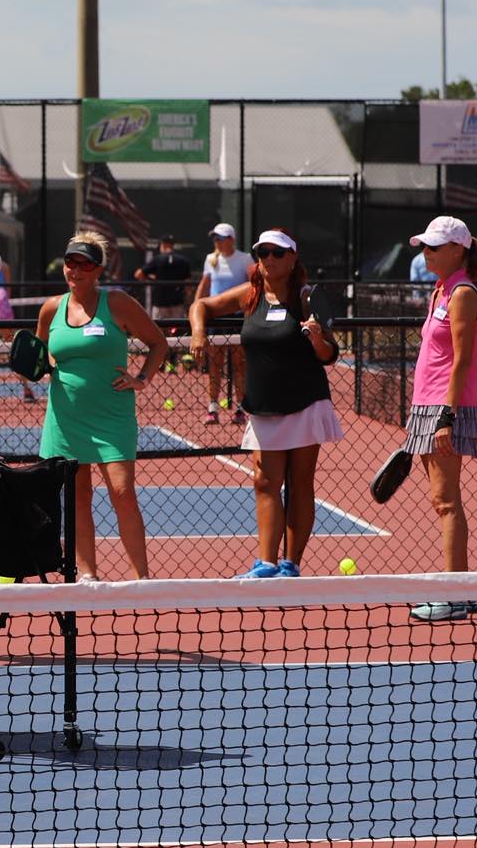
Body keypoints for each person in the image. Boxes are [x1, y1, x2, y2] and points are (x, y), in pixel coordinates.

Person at [188, 229, 342, 579]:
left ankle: (290, 564)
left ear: (292, 259)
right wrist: (198, 331)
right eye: (263, 252)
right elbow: (201, 305)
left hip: (304, 402)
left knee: (300, 483)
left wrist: (317, 339)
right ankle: (266, 564)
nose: (269, 259)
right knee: (264, 482)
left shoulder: (305, 298)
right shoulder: (250, 296)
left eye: (277, 253)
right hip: (263, 405)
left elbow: (330, 354)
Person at [38, 233, 167, 580]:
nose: (76, 270)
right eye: (71, 262)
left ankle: (142, 577)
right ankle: (88, 574)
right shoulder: (52, 308)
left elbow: (158, 343)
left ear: (99, 270)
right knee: (78, 497)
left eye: (85, 264)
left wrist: (141, 378)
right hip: (65, 418)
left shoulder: (118, 303)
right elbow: (42, 353)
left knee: (123, 492)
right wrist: (43, 366)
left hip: (112, 416)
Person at [402, 215, 477, 621]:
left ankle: (453, 594)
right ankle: (463, 589)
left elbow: (462, 360)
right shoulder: (440, 290)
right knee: (443, 500)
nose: (426, 253)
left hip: (444, 407)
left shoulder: (463, 294)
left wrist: (446, 418)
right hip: (427, 404)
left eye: (434, 247)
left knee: (446, 500)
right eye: (425, 246)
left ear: (459, 250)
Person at [194, 223, 251, 423]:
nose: (216, 242)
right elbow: (205, 286)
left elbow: (254, 285)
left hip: (237, 319)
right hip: (215, 320)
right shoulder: (211, 259)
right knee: (215, 365)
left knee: (239, 365)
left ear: (231, 239)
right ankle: (213, 408)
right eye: (215, 239)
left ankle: (240, 409)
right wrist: (195, 310)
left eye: (220, 238)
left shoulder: (245, 259)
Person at [0, 228, 36, 403]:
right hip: (1, 304)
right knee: (13, 348)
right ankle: (26, 388)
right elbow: (8, 290)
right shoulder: (4, 266)